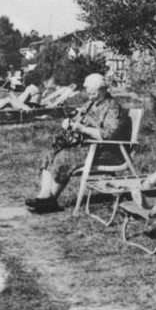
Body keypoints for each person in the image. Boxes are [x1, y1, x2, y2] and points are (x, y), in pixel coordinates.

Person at [28, 72, 131, 213]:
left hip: (108, 152)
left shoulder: (113, 107)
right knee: (49, 153)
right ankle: (44, 196)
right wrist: (69, 123)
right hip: (89, 146)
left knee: (64, 158)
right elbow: (78, 118)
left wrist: (83, 129)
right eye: (89, 93)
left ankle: (51, 200)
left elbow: (109, 135)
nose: (90, 96)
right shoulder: (91, 102)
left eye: (93, 93)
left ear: (103, 90)